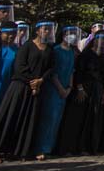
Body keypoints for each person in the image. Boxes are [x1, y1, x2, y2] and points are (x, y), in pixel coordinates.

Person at [0, 20, 55, 163]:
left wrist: (40, 81)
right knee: (7, 118)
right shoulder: (27, 46)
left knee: (28, 120)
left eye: (49, 29)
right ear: (37, 30)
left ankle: (20, 151)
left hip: (35, 90)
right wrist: (33, 82)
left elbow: (50, 68)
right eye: (44, 29)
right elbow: (20, 67)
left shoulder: (49, 49)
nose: (47, 32)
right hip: (18, 87)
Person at [56, 29, 104, 156]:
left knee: (92, 118)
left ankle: (86, 146)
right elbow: (79, 72)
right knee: (77, 118)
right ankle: (69, 147)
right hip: (84, 88)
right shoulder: (86, 54)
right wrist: (80, 88)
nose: (103, 42)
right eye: (100, 39)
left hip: (97, 90)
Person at [32, 25, 79, 159]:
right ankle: (40, 148)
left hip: (65, 90)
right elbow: (53, 72)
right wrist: (60, 88)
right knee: (48, 118)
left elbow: (71, 71)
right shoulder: (56, 50)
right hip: (53, 89)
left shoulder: (71, 52)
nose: (73, 36)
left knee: (57, 120)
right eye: (71, 33)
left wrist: (69, 88)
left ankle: (50, 148)